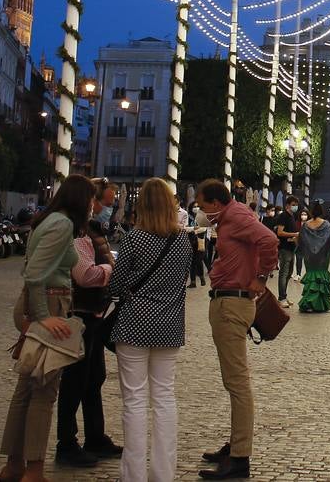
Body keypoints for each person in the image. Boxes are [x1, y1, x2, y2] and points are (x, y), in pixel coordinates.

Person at [0, 174, 94, 482]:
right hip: (50, 302)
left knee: (25, 389)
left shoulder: (48, 219)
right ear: (82, 200)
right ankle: (34, 470)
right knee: (44, 391)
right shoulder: (63, 225)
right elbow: (36, 273)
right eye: (91, 199)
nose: (94, 206)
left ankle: (14, 466)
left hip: (38, 301)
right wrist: (43, 316)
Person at [108, 178, 191, 482]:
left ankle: (133, 476)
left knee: (134, 400)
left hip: (133, 324)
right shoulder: (183, 240)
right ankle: (163, 474)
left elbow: (116, 285)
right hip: (168, 326)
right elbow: (183, 280)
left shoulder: (133, 238)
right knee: (165, 398)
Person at [197, 179, 278, 480]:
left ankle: (240, 456)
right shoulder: (231, 217)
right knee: (234, 381)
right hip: (227, 300)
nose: (201, 210)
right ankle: (235, 446)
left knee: (238, 382)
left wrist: (261, 276)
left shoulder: (237, 216)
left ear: (216, 203)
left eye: (203, 204)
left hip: (233, 303)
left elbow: (269, 240)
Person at [55, 179, 121, 468]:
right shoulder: (74, 231)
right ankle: (67, 442)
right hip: (79, 312)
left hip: (93, 312)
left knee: (94, 377)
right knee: (76, 379)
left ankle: (95, 435)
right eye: (104, 203)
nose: (106, 209)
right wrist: (110, 268)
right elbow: (84, 275)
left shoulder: (88, 229)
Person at [297, 203, 330, 313]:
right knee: (321, 276)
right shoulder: (326, 225)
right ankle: (319, 304)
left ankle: (308, 303)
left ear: (311, 212)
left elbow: (301, 240)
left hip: (309, 256)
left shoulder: (305, 225)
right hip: (323, 256)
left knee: (311, 276)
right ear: (322, 212)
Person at [275, 196, 300, 307]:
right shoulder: (283, 216)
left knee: (289, 273)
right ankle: (281, 298)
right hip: (284, 248)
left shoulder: (292, 216)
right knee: (283, 273)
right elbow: (280, 232)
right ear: (287, 205)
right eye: (293, 204)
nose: (295, 207)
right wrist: (294, 235)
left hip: (291, 248)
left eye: (296, 205)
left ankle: (284, 295)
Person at [294, 207, 308, 281]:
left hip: (308, 245)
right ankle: (298, 274)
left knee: (307, 260)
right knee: (298, 260)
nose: (303, 216)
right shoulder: (297, 223)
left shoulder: (310, 223)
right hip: (299, 244)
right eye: (302, 214)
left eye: (305, 214)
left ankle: (308, 274)